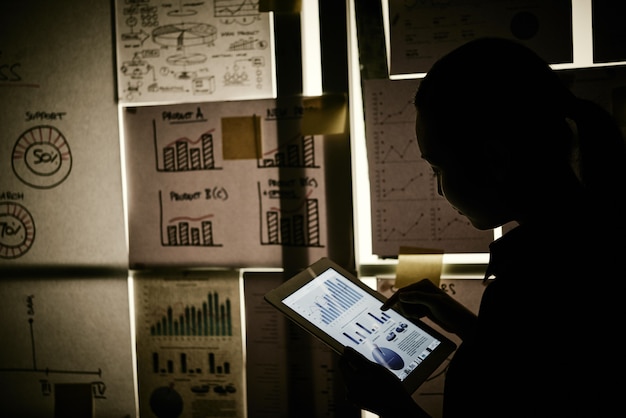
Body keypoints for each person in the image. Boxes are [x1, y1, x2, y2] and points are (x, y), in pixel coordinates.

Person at [339, 37, 626, 417]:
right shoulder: (593, 236)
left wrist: (391, 406)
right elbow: (538, 374)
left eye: (438, 168)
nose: (440, 189)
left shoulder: (536, 281)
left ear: (495, 158)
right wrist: (471, 328)